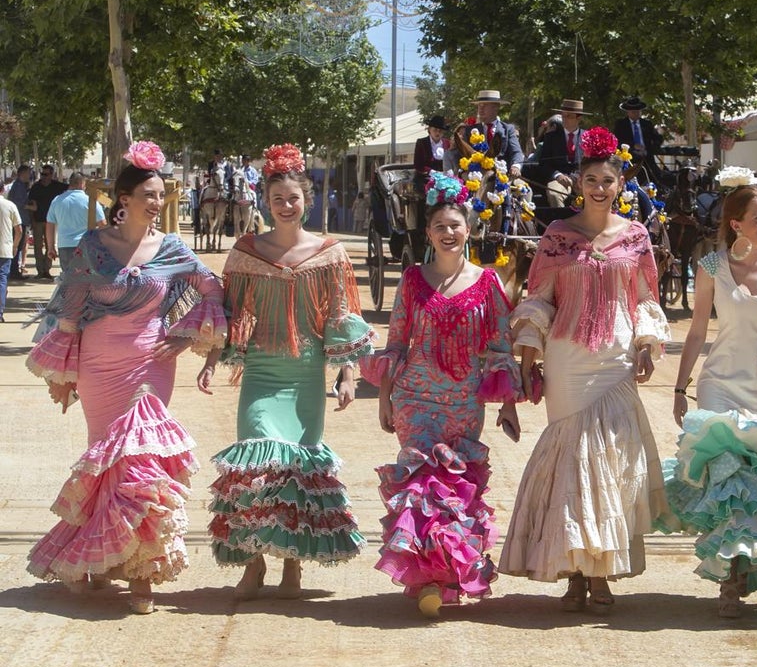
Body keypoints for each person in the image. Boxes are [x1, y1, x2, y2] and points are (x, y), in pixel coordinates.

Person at [24, 141, 227, 614]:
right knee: (105, 462)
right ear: (124, 199)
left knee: (142, 462)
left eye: (161, 196)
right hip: (99, 365)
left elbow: (212, 288)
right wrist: (63, 372)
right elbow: (70, 311)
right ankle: (94, 558)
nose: (157, 203)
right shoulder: (94, 247)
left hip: (152, 365)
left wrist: (185, 335)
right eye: (148, 195)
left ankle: (142, 575)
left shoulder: (174, 248)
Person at [498, 127, 672, 614]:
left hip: (615, 359)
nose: (599, 187)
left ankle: (599, 573)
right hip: (568, 361)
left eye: (607, 180)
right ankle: (572, 570)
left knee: (611, 464)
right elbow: (538, 299)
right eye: (590, 178)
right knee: (574, 461)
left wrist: (645, 344)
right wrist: (528, 361)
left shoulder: (636, 237)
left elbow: (643, 299)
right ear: (579, 182)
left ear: (620, 185)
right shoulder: (557, 236)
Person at [198, 142, 373, 600]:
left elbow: (339, 313)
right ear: (266, 202)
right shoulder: (246, 251)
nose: (286, 205)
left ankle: (292, 567)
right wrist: (214, 357)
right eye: (278, 199)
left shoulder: (329, 253)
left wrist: (347, 374)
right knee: (256, 462)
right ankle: (253, 565)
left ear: (306, 201)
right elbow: (230, 312)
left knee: (296, 469)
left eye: (293, 198)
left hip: (306, 374)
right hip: (261, 370)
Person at [658, 169, 757, 618]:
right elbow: (694, 334)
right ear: (735, 223)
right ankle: (730, 579)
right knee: (727, 479)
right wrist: (679, 387)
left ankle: (742, 567)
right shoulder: (710, 267)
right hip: (719, 385)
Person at [366, 171, 522, 619]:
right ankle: (428, 579)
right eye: (439, 226)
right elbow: (396, 342)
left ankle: (448, 574)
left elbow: (499, 348)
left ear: (468, 229)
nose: (448, 233)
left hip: (464, 402)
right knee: (419, 488)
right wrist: (385, 399)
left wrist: (508, 406)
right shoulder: (413, 280)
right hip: (416, 399)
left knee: (456, 490)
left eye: (455, 225)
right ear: (428, 233)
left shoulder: (489, 283)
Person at [445, 90, 525, 180]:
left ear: (496, 107)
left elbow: (516, 152)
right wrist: (462, 172)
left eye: (485, 105)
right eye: (479, 105)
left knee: (526, 193)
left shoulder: (508, 129)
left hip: (503, 177)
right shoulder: (469, 130)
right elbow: (460, 156)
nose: (481, 109)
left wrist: (516, 167)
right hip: (475, 178)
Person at [47, 172, 106, 272]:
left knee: (68, 280)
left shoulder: (57, 200)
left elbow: (50, 225)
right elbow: (103, 224)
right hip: (85, 245)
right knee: (85, 279)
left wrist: (51, 247)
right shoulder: (89, 201)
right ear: (82, 183)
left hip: (64, 245)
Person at [536, 98, 590, 206]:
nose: (564, 119)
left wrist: (578, 176)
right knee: (554, 193)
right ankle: (559, 221)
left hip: (583, 179)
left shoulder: (588, 137)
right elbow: (544, 164)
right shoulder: (551, 137)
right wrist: (558, 175)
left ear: (579, 118)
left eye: (569, 116)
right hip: (560, 180)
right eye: (563, 115)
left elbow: (592, 163)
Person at [27, 164, 68, 278]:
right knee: (37, 246)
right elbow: (31, 203)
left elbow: (71, 188)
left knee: (50, 245)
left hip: (51, 221)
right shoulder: (36, 187)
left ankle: (47, 269)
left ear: (52, 175)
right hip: (38, 220)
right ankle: (40, 270)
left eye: (46, 174)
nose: (43, 177)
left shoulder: (57, 186)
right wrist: (32, 220)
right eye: (42, 174)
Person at [612, 96, 663, 181]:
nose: (635, 113)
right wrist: (633, 146)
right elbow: (617, 141)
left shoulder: (647, 124)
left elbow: (658, 139)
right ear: (628, 112)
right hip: (629, 159)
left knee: (658, 177)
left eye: (638, 111)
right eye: (633, 111)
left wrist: (649, 149)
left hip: (647, 159)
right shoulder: (621, 124)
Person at [413, 115, 450, 193]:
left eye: (440, 131)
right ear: (429, 129)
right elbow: (418, 165)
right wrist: (433, 173)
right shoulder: (421, 143)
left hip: (444, 179)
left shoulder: (447, 143)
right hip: (425, 178)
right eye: (435, 130)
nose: (437, 133)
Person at [0, 187, 21, 321]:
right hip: (4, 248)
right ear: (2, 189)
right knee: (2, 280)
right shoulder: (10, 205)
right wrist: (15, 246)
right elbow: (18, 230)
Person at [6, 164, 31, 279]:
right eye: (28, 173)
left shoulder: (19, 185)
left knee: (19, 246)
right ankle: (14, 272)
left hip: (19, 219)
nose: (29, 175)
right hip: (20, 219)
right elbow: (19, 203)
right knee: (18, 245)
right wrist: (31, 207)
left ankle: (14, 270)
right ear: (22, 173)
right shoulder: (19, 186)